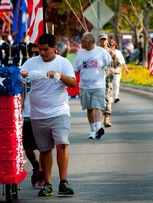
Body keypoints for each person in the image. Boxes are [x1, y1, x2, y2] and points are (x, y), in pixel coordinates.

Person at [21, 33, 76, 197]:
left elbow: (72, 83)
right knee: (45, 149)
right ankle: (48, 183)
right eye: (40, 50)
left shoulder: (63, 62)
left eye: (46, 50)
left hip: (59, 111)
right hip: (38, 114)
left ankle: (63, 182)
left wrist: (59, 75)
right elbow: (19, 79)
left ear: (54, 48)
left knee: (62, 144)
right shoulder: (31, 63)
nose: (43, 53)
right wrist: (21, 76)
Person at [73, 32, 112, 139]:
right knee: (89, 109)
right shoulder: (80, 53)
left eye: (83, 41)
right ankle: (93, 130)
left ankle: (99, 127)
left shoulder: (101, 52)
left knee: (97, 107)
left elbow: (110, 60)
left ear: (89, 42)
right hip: (84, 86)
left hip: (98, 86)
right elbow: (75, 68)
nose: (81, 43)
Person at [21, 42, 45, 188]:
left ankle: (42, 173)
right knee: (28, 147)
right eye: (33, 53)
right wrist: (19, 109)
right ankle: (36, 166)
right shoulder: (26, 66)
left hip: (43, 112)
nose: (36, 55)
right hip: (28, 113)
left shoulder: (47, 66)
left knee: (44, 147)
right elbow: (22, 90)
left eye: (38, 52)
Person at [97, 33, 116, 127]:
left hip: (107, 79)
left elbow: (118, 65)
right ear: (99, 41)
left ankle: (107, 119)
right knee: (98, 99)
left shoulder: (111, 52)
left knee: (108, 97)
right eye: (101, 39)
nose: (103, 41)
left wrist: (113, 70)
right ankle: (98, 120)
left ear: (107, 40)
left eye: (105, 39)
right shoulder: (95, 52)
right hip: (96, 80)